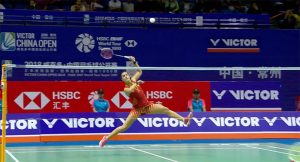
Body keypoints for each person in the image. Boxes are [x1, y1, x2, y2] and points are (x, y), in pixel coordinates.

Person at [99, 56, 193, 148]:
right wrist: (137, 83)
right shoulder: (126, 89)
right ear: (122, 80)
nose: (126, 76)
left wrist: (134, 62)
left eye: (126, 74)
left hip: (147, 106)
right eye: (123, 76)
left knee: (165, 109)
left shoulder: (133, 80)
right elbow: (131, 89)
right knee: (124, 127)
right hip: (137, 110)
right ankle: (106, 138)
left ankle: (184, 120)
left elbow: (139, 71)